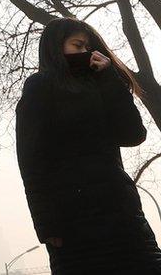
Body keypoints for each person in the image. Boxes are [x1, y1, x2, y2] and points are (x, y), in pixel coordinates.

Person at [16, 17, 161, 274]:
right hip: (72, 223)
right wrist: (46, 226)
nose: (86, 52)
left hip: (121, 211)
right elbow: (31, 162)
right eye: (78, 45)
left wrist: (110, 80)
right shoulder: (40, 87)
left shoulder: (101, 83)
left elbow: (133, 135)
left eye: (87, 47)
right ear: (56, 47)